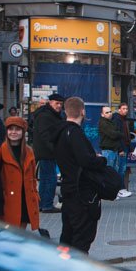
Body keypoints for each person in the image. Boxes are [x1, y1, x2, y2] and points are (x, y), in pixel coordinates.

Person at [55, 97, 106, 253]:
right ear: (82, 111)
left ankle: (62, 268)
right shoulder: (75, 132)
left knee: (68, 235)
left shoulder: (60, 132)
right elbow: (85, 160)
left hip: (68, 189)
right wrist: (100, 160)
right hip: (81, 193)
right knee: (82, 237)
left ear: (65, 111)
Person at [0, 116, 41, 234]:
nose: (13, 132)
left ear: (23, 132)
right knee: (8, 237)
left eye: (17, 129)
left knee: (20, 236)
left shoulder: (29, 152)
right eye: (10, 129)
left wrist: (35, 195)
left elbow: (33, 177)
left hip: (25, 201)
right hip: (8, 203)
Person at [31, 92, 65, 213]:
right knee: (50, 178)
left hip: (45, 150)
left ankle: (42, 203)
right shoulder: (46, 116)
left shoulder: (47, 114)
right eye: (57, 103)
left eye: (61, 104)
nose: (59, 106)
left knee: (45, 178)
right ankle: (47, 204)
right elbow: (45, 135)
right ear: (50, 103)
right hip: (47, 151)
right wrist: (54, 149)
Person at [97, 105, 127, 198]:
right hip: (108, 150)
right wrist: (119, 134)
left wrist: (118, 134)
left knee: (114, 172)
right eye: (107, 112)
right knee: (109, 173)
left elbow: (116, 133)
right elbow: (113, 134)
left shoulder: (111, 122)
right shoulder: (103, 123)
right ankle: (108, 192)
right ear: (102, 114)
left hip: (113, 150)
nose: (109, 113)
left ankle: (114, 192)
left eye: (110, 111)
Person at [112, 103, 134, 194]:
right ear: (119, 109)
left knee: (123, 168)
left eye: (126, 108)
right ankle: (120, 189)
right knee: (121, 168)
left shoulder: (123, 120)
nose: (126, 110)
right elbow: (118, 136)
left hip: (125, 146)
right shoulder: (117, 119)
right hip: (121, 147)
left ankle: (122, 188)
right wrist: (120, 149)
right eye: (124, 108)